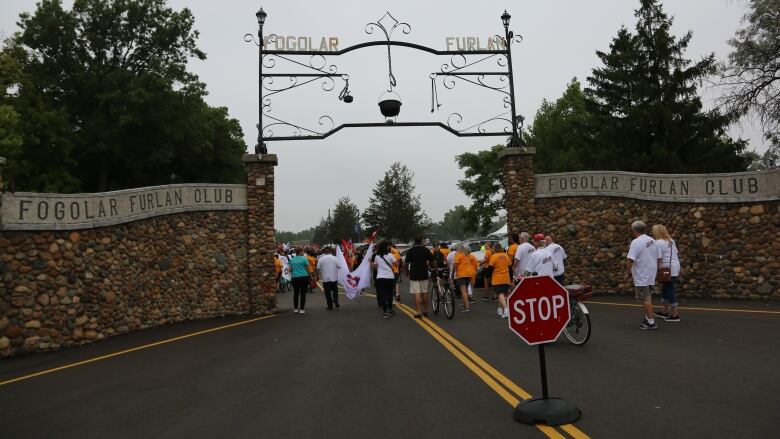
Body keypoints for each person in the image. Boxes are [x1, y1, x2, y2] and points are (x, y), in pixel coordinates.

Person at [627, 220, 663, 330]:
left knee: (646, 299)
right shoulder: (652, 240)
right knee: (648, 297)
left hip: (641, 274)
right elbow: (659, 258)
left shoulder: (636, 242)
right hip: (651, 273)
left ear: (634, 230)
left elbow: (630, 259)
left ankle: (651, 323)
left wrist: (629, 271)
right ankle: (648, 318)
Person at [652, 224, 681, 322]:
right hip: (674, 266)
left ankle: (675, 314)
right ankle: (664, 311)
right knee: (666, 287)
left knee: (669, 289)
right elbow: (675, 254)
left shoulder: (658, 242)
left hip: (666, 268)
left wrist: (656, 270)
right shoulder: (671, 241)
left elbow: (658, 258)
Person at [404, 235, 434, 318]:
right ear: (421, 241)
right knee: (425, 292)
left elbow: (406, 264)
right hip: (424, 273)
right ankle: (426, 311)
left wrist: (406, 272)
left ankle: (418, 312)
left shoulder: (410, 250)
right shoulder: (426, 250)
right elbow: (432, 261)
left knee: (416, 293)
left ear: (414, 241)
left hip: (414, 274)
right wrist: (434, 267)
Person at [372, 240, 398, 318]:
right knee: (390, 294)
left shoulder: (377, 256)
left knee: (383, 295)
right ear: (386, 247)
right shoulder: (390, 255)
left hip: (380, 277)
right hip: (390, 277)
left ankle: (384, 312)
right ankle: (390, 310)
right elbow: (397, 264)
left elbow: (376, 266)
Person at [488, 243, 512, 318]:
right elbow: (510, 268)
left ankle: (506, 310)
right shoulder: (506, 255)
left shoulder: (494, 256)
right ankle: (500, 309)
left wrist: (487, 276)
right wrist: (511, 278)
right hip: (506, 277)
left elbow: (490, 268)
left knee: (500, 294)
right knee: (503, 294)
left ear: (494, 248)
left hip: (497, 278)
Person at [453, 243, 478, 312]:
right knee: (465, 290)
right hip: (469, 274)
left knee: (463, 291)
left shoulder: (458, 254)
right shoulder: (468, 255)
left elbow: (455, 265)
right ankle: (465, 304)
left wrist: (452, 273)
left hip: (461, 274)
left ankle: (467, 307)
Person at [289, 247, 313, 314]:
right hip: (303, 277)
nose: (304, 253)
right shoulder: (304, 259)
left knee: (296, 293)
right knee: (303, 293)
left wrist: (295, 268)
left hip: (295, 277)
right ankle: (302, 309)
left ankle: (296, 309)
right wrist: (311, 276)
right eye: (303, 251)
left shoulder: (292, 259)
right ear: (300, 252)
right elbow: (308, 268)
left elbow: (289, 270)